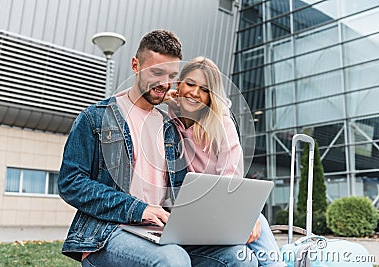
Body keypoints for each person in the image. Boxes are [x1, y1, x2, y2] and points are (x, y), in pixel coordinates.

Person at [58, 30, 258, 266]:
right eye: (156, 73)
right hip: (107, 232)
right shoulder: (95, 119)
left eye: (172, 75)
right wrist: (138, 209)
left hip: (161, 231)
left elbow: (183, 186)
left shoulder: (169, 126)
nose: (164, 83)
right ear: (135, 65)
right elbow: (71, 182)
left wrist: (235, 217)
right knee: (173, 261)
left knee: (239, 258)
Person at [166, 56, 285, 267]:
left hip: (223, 204)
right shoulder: (170, 118)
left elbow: (230, 178)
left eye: (204, 89)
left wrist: (245, 217)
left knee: (263, 245)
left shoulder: (221, 123)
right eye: (190, 84)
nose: (194, 92)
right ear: (179, 84)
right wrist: (166, 98)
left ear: (211, 96)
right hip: (190, 208)